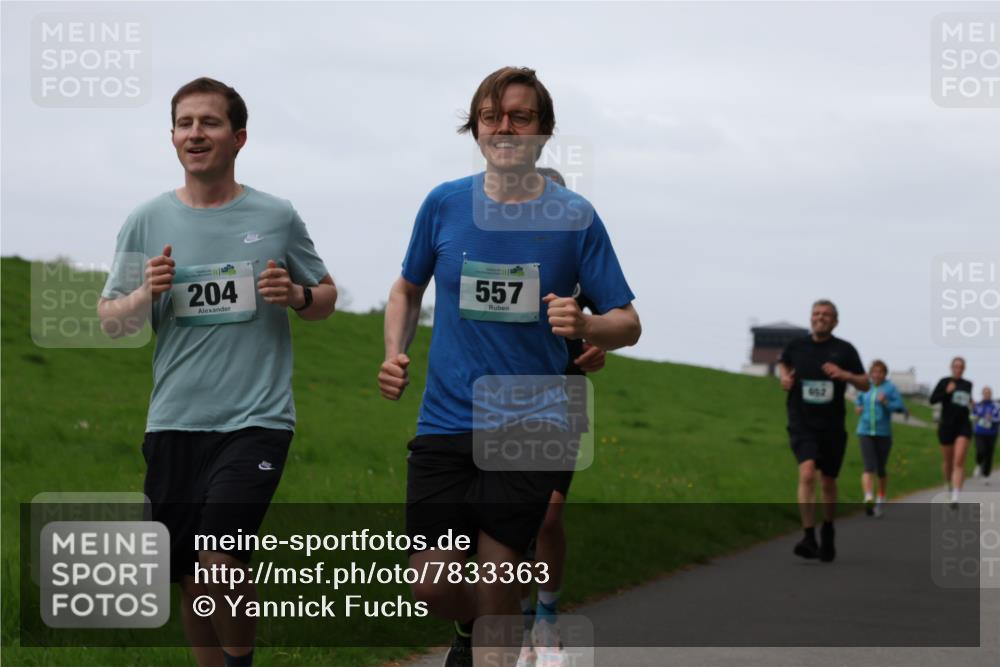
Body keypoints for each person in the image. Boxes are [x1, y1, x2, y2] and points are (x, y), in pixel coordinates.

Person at [378, 66, 641, 667]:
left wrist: (587, 325)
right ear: (475, 127)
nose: (504, 128)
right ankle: (469, 632)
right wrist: (394, 352)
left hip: (530, 422)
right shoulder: (444, 204)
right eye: (491, 116)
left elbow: (627, 322)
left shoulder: (575, 217)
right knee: (432, 585)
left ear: (543, 132)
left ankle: (494, 639)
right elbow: (405, 288)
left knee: (499, 580)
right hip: (445, 420)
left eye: (519, 117)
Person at [98, 77, 336, 667]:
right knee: (188, 574)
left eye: (208, 122)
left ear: (239, 137)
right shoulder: (146, 220)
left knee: (220, 561)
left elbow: (326, 295)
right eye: (184, 123)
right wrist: (143, 294)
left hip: (256, 419)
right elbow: (110, 321)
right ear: (173, 137)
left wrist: (297, 295)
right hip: (175, 419)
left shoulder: (276, 216)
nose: (195, 133)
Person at [516, 167, 607, 667]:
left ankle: (548, 617)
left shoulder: (578, 257)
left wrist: (598, 346)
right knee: (512, 523)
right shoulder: (495, 255)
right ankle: (523, 615)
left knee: (549, 512)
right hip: (501, 399)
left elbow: (608, 323)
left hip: (563, 397)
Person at [779, 300, 868, 563]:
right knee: (807, 474)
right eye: (816, 314)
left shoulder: (845, 349)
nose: (820, 318)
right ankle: (808, 535)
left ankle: (827, 528)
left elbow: (864, 384)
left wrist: (845, 375)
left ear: (835, 321)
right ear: (810, 318)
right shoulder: (797, 346)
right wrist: (784, 377)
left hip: (831, 426)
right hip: (802, 422)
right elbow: (784, 364)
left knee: (828, 482)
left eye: (826, 315)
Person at [853, 360, 907, 517]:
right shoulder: (865, 387)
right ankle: (868, 496)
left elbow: (899, 407)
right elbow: (858, 401)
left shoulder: (890, 388)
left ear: (885, 374)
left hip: (883, 433)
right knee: (868, 466)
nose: (877, 375)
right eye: (874, 372)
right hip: (865, 431)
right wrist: (858, 408)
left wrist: (886, 402)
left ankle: (881, 497)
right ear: (870, 373)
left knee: (881, 469)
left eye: (880, 372)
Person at [930, 357, 974, 507]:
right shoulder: (944, 382)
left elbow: (965, 401)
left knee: (959, 461)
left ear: (964, 369)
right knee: (948, 462)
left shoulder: (968, 384)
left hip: (963, 426)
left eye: (961, 367)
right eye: (955, 366)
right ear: (951, 367)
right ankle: (948, 484)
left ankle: (956, 496)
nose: (958, 369)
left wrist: (972, 403)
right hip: (947, 426)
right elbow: (932, 400)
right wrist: (947, 392)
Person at [972, 386, 999, 483]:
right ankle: (978, 464)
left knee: (989, 454)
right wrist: (976, 417)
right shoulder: (978, 405)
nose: (987, 394)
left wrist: (991, 418)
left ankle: (986, 475)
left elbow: (998, 418)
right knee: (981, 450)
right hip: (979, 432)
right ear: (982, 394)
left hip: (992, 433)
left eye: (989, 393)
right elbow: (972, 415)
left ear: (991, 394)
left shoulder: (996, 406)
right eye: (985, 392)